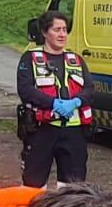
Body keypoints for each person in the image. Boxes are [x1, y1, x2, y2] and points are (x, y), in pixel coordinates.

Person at [18, 11, 94, 188]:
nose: (62, 34)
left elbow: (89, 90)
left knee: (73, 189)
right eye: (57, 29)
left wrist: (75, 102)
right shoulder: (30, 59)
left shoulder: (76, 59)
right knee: (33, 187)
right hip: (41, 130)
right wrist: (52, 103)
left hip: (73, 132)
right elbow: (26, 90)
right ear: (45, 32)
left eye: (65, 30)